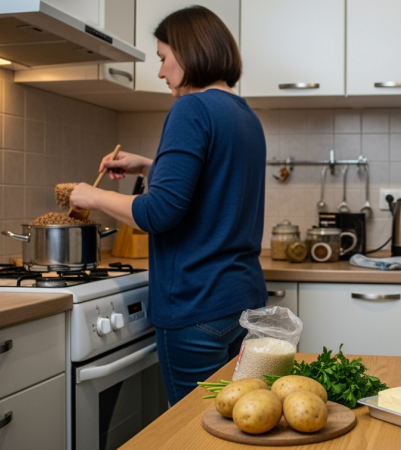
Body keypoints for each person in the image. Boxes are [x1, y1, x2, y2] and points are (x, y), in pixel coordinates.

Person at [69, 6, 267, 405]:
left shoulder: (190, 109)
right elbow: (214, 179)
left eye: (162, 58)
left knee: (195, 433)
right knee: (237, 423)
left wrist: (89, 195)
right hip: (241, 303)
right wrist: (147, 163)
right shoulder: (244, 115)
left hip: (195, 305)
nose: (160, 72)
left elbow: (159, 212)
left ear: (189, 51)